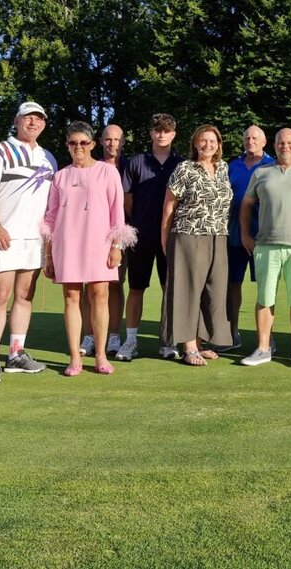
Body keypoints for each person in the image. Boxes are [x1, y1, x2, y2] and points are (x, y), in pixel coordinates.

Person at [42, 121, 136, 377]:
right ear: (67, 146)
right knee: (71, 297)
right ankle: (75, 357)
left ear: (93, 144)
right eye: (73, 143)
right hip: (66, 244)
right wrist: (48, 254)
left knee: (100, 295)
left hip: (99, 243)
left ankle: (101, 355)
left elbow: (117, 212)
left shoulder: (107, 172)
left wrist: (117, 246)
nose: (79, 148)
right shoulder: (60, 176)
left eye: (84, 143)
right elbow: (50, 218)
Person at [0, 101, 57, 384]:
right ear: (16, 121)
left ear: (44, 124)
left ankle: (16, 354)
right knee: (0, 295)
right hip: (5, 235)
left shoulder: (48, 157)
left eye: (38, 119)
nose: (33, 123)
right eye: (27, 118)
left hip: (34, 239)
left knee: (25, 296)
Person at [238, 128, 291, 367]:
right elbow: (246, 205)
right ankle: (263, 349)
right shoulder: (262, 172)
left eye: (289, 142)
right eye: (280, 142)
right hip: (266, 245)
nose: (285, 146)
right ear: (274, 146)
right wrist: (245, 234)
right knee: (264, 298)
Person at [162, 125, 235, 366]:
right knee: (188, 290)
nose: (207, 145)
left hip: (218, 235)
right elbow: (169, 207)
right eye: (203, 141)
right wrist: (165, 242)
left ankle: (201, 341)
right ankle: (188, 345)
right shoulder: (185, 168)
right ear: (195, 143)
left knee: (212, 290)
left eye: (212, 141)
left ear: (218, 144)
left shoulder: (223, 168)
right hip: (188, 235)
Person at [118, 113, 185, 362]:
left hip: (172, 236)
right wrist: (139, 219)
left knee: (170, 289)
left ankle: (169, 341)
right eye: (157, 130)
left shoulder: (182, 163)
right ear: (151, 133)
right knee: (136, 288)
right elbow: (127, 198)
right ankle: (131, 340)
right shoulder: (137, 162)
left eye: (166, 130)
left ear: (173, 134)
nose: (161, 134)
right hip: (142, 235)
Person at [224, 125, 275, 348]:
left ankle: (266, 337)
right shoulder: (232, 166)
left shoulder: (272, 165)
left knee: (266, 288)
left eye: (255, 138)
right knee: (232, 285)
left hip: (263, 237)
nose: (250, 141)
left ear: (264, 142)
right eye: (246, 138)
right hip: (234, 236)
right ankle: (231, 333)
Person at [79, 123, 126, 357]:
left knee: (115, 286)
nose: (112, 144)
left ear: (123, 141)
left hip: (120, 236)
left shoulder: (129, 166)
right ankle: (89, 336)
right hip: (90, 237)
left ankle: (114, 336)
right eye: (108, 139)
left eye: (117, 139)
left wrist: (119, 242)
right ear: (101, 141)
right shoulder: (90, 166)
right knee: (89, 287)